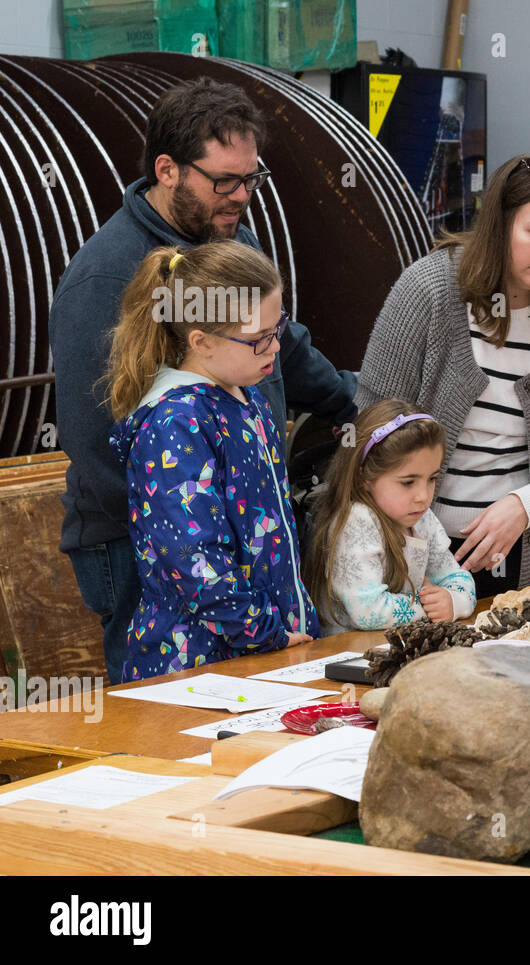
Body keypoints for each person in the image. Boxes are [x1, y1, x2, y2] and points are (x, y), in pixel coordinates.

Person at [50, 76, 356, 684]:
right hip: (144, 543)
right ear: (168, 170)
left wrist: (356, 400)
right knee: (171, 712)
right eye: (225, 181)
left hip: (234, 538)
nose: (242, 196)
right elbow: (91, 436)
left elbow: (282, 344)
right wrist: (199, 517)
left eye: (252, 179)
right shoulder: (105, 278)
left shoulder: (226, 235)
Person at [356, 154, 530, 599]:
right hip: (412, 559)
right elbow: (369, 428)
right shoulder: (428, 290)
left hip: (524, 560)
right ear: (499, 224)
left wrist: (525, 506)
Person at [105, 242, 317, 681]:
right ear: (201, 342)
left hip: (265, 655)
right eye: (259, 339)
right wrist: (264, 631)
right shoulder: (174, 423)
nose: (275, 348)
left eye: (279, 329)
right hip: (195, 671)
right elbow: (193, 558)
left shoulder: (247, 399)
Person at [306, 399, 476, 634]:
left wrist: (452, 601)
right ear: (365, 476)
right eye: (408, 482)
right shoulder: (357, 520)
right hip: (346, 656)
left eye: (432, 479)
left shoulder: (422, 517)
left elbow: (458, 578)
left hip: (397, 646)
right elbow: (368, 611)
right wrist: (429, 608)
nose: (423, 496)